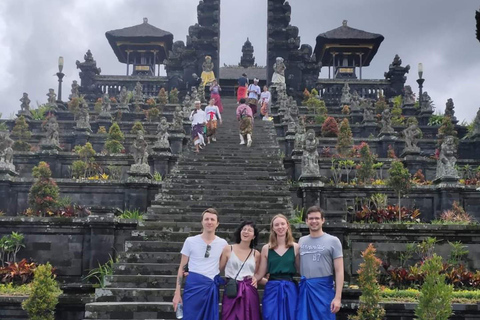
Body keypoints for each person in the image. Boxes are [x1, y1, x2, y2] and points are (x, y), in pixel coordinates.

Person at [173, 208, 228, 320]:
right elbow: (181, 268)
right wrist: (177, 293)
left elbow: (222, 267)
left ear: (217, 223)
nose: (209, 222)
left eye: (212, 219)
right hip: (193, 286)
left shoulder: (223, 244)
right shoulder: (190, 241)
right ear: (202, 222)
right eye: (206, 219)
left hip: (211, 287)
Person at [297, 206, 344, 320]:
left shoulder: (333, 241)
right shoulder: (301, 241)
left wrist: (337, 297)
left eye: (317, 218)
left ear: (323, 220)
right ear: (306, 221)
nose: (314, 221)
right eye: (311, 218)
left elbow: (339, 271)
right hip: (305, 288)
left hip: (324, 289)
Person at [255, 214, 299, 320]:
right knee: (270, 315)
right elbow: (260, 273)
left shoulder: (296, 247)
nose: (280, 227)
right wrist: (247, 280)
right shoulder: (266, 248)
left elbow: (301, 270)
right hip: (272, 288)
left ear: (287, 226)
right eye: (277, 225)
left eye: (283, 224)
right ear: (273, 228)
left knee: (291, 316)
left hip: (290, 288)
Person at [219, 221, 262, 320]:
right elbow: (218, 269)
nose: (246, 232)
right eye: (244, 229)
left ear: (254, 236)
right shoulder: (228, 249)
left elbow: (257, 275)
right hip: (232, 290)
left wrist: (271, 281)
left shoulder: (256, 254)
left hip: (249, 291)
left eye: (249, 230)